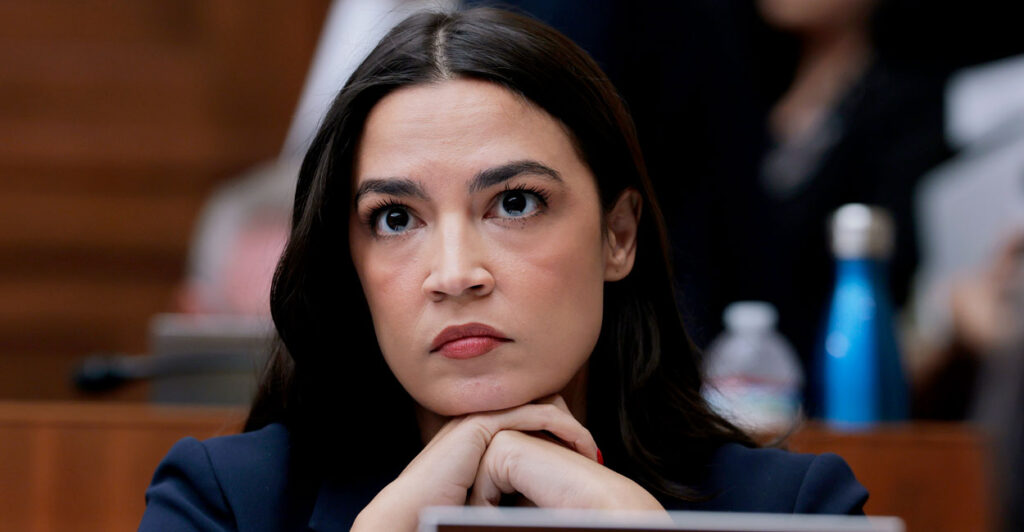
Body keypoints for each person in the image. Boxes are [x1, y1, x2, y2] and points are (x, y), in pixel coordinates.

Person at [140, 8, 867, 531]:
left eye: (515, 203)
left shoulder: (796, 506)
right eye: (396, 218)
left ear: (619, 236)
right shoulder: (226, 503)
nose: (455, 274)